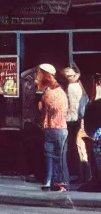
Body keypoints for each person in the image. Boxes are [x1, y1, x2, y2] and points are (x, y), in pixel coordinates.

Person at [38, 63, 69, 192]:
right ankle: (51, 181)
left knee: (56, 156)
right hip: (54, 128)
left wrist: (44, 99)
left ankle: (58, 181)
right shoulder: (54, 92)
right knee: (51, 155)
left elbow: (51, 108)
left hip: (57, 128)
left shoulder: (53, 93)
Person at [62, 66, 89, 184]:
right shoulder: (80, 87)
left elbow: (73, 107)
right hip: (78, 120)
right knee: (79, 148)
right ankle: (82, 174)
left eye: (70, 76)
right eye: (66, 76)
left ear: (77, 75)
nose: (68, 78)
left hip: (73, 121)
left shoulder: (72, 87)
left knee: (72, 148)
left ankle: (76, 174)